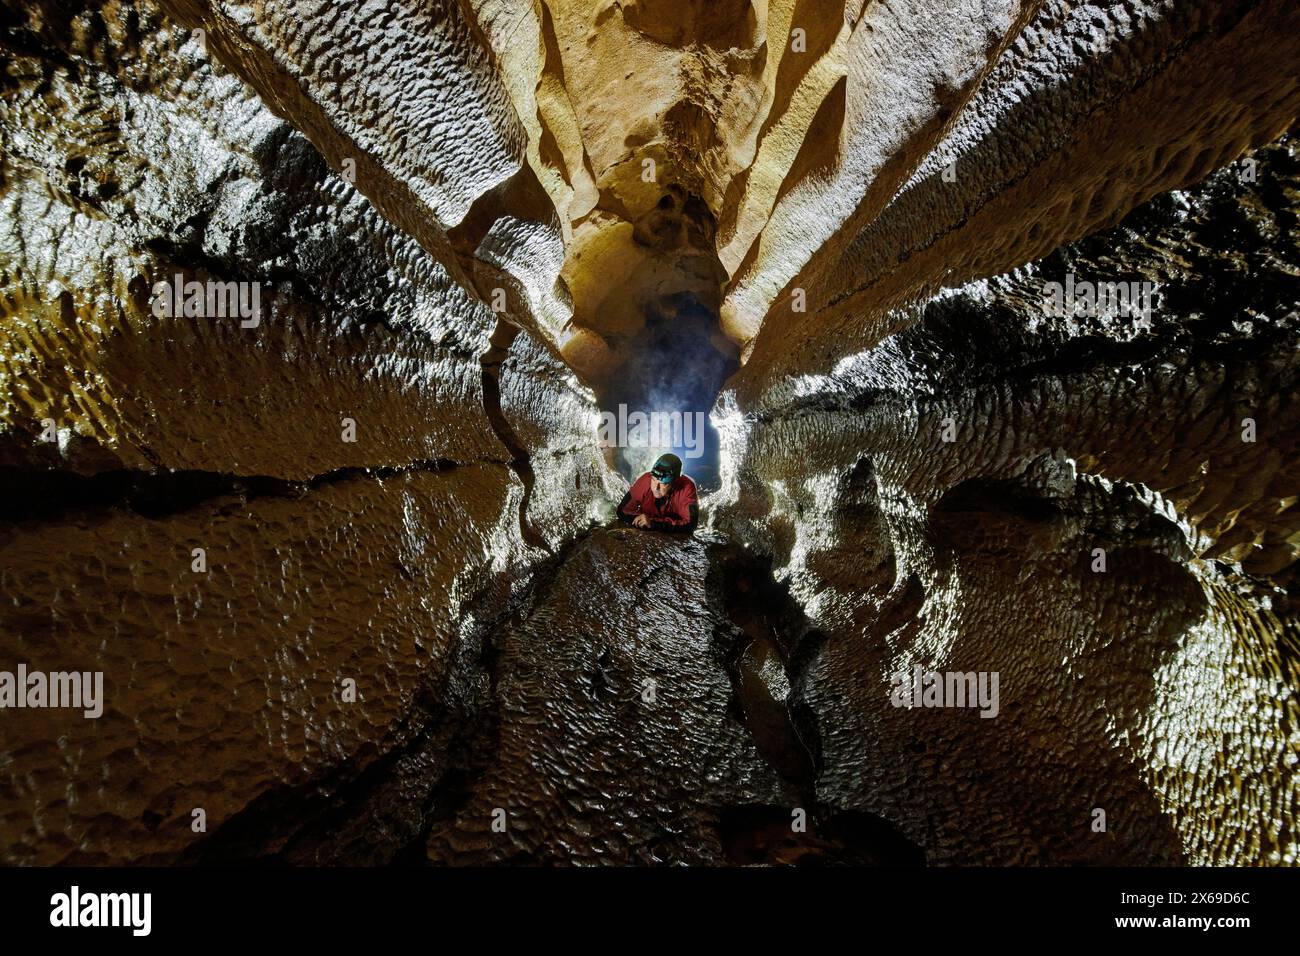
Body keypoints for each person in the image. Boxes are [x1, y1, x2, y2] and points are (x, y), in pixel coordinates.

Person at [616, 453, 699, 534]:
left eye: (663, 483)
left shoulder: (687, 487)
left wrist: (653, 523)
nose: (656, 488)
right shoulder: (645, 481)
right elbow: (621, 510)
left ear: (675, 481)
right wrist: (640, 519)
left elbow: (691, 525)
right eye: (654, 480)